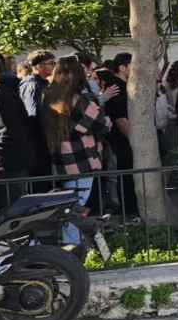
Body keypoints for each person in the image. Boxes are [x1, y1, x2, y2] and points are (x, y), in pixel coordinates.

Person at [42, 56, 106, 244]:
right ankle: (72, 244)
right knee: (77, 204)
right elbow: (98, 124)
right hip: (82, 156)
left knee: (70, 202)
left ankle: (71, 242)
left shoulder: (48, 94)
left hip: (61, 154)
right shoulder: (78, 98)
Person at [0, 58, 33, 209]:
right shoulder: (4, 93)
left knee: (9, 209)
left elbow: (8, 130)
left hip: (7, 165)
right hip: (9, 163)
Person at [104, 52, 138, 220]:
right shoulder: (116, 87)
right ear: (122, 68)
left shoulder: (126, 85)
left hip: (126, 139)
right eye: (132, 66)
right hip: (122, 142)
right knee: (126, 177)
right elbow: (120, 119)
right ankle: (129, 211)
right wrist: (135, 141)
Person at [19, 49, 56, 182]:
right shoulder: (33, 85)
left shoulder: (41, 84)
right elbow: (34, 115)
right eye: (51, 63)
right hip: (38, 143)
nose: (54, 66)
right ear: (39, 66)